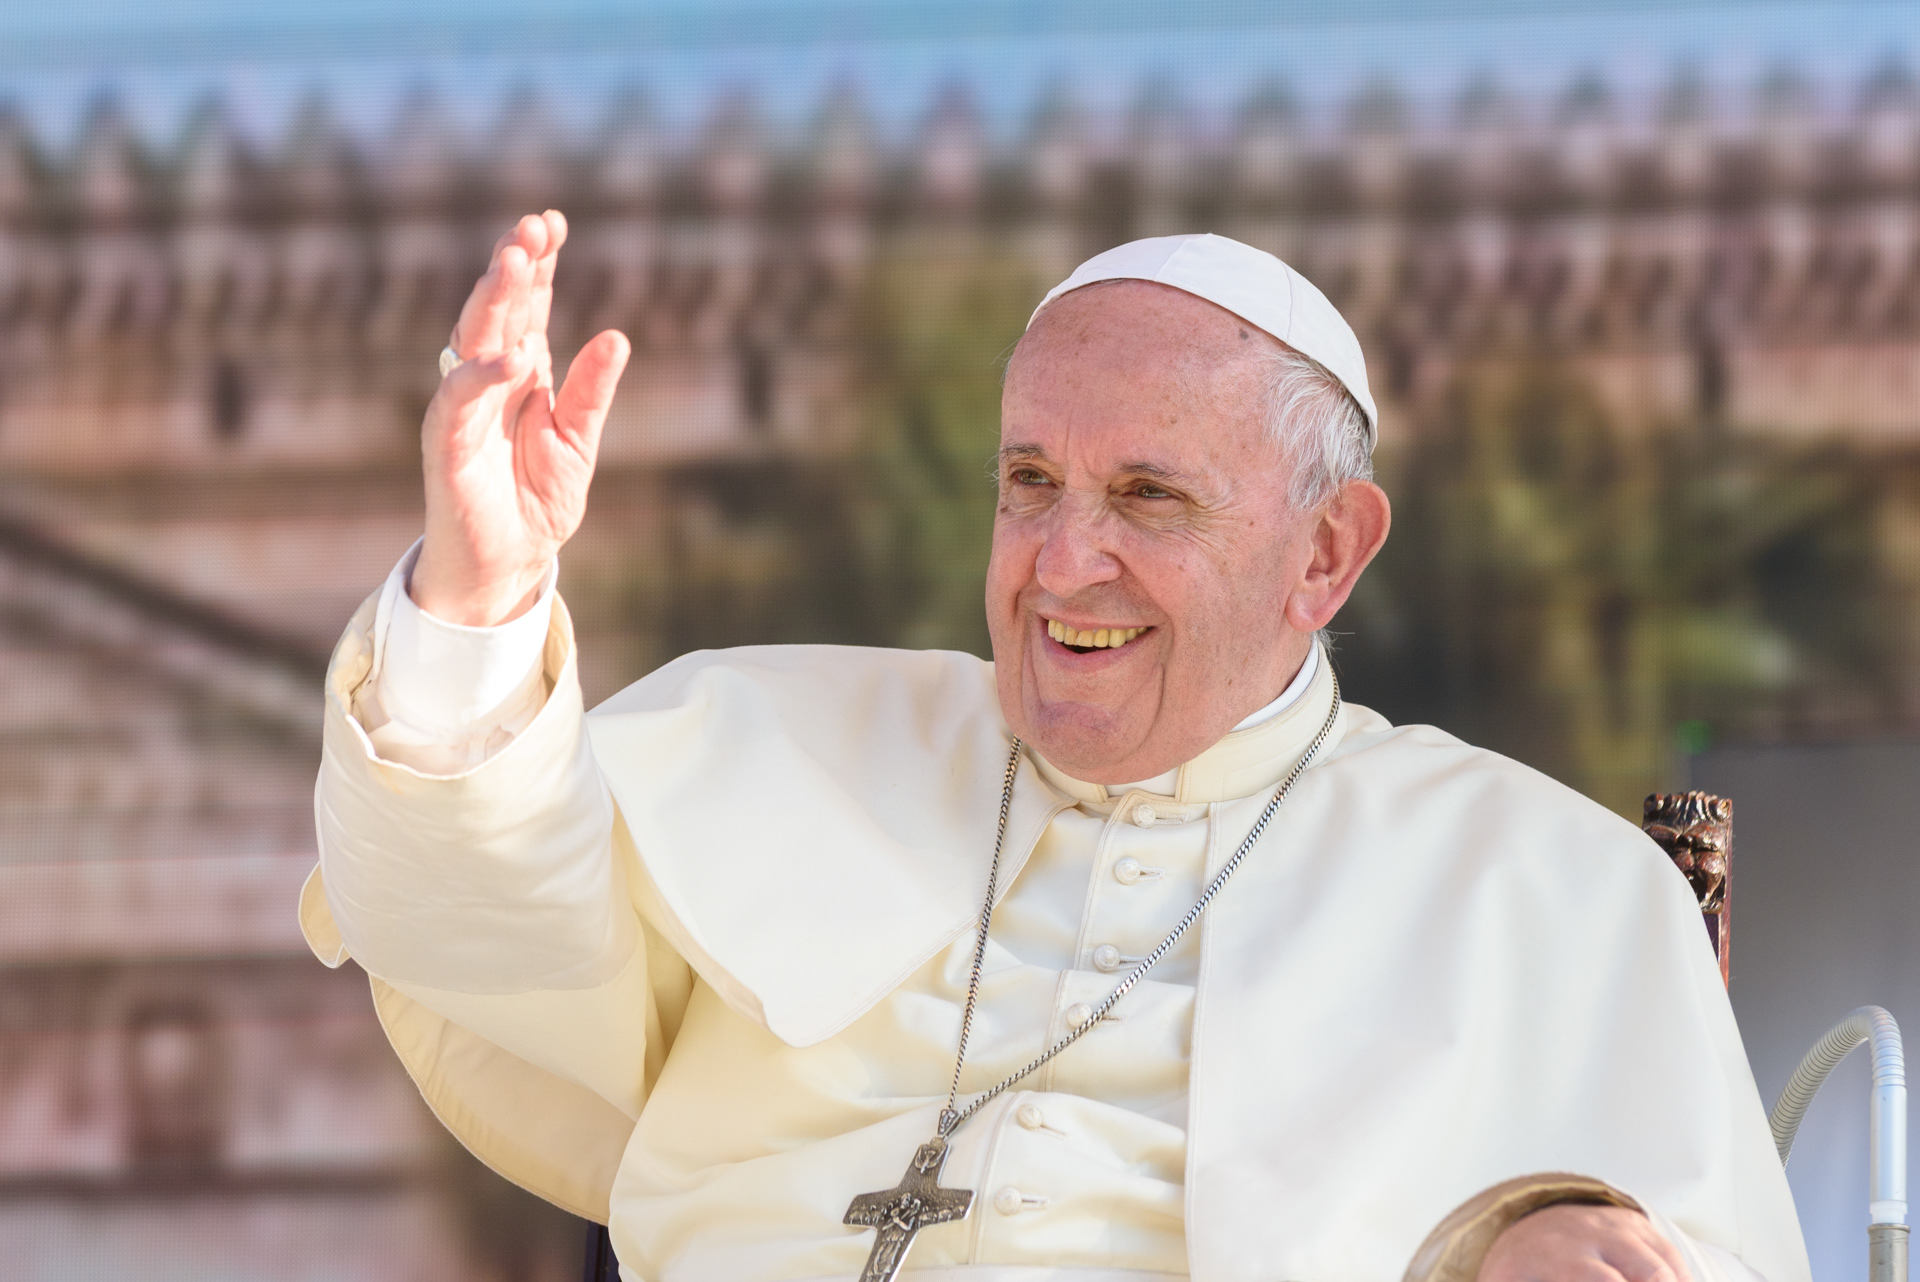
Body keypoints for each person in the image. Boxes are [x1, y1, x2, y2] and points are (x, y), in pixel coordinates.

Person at [302, 213, 1808, 1282]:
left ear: (1325, 554)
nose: (1062, 563)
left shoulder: (1547, 882)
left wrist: (1537, 1237)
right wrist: (479, 607)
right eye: (1030, 482)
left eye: (1150, 497)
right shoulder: (786, 734)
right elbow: (475, 912)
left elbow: (1698, 1251)